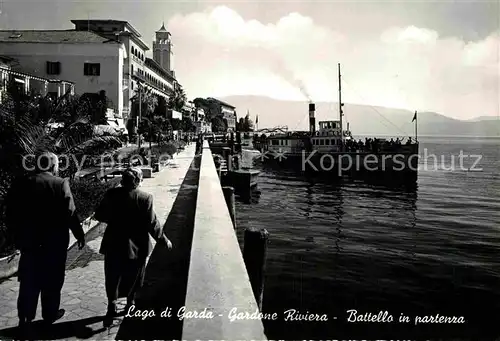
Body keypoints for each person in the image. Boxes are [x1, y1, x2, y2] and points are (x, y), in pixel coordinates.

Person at [5, 152, 86, 327]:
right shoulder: (60, 183)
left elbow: (10, 212)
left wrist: (15, 236)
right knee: (53, 279)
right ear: (53, 166)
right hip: (54, 243)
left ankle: (25, 316)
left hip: (30, 243)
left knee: (29, 279)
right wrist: (79, 234)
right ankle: (49, 314)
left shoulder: (23, 183)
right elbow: (70, 213)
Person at [93, 167, 172, 325]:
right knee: (135, 276)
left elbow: (99, 214)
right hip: (136, 245)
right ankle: (130, 303)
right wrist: (163, 240)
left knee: (112, 275)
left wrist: (115, 220)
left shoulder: (111, 194)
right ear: (138, 181)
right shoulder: (145, 198)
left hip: (113, 243)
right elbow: (152, 224)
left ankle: (112, 304)